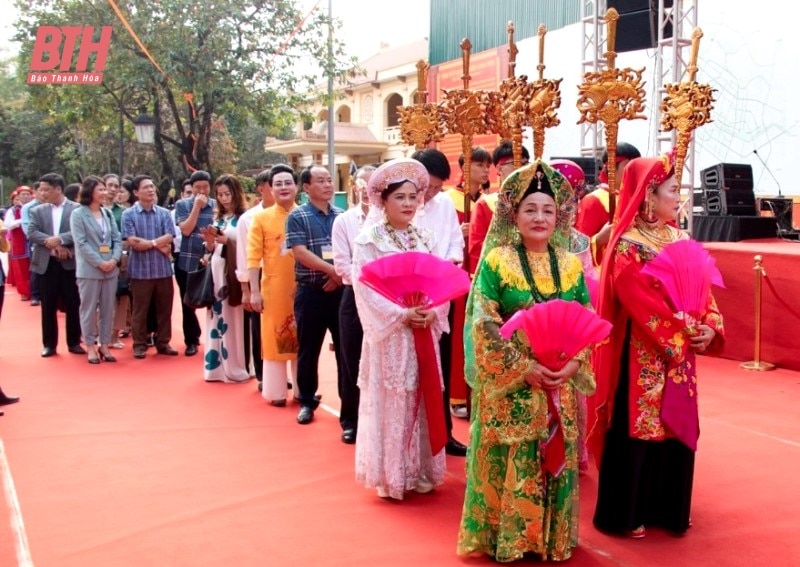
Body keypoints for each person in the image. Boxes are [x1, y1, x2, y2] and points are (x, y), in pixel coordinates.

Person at [457, 160, 595, 562]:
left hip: (559, 383)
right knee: (516, 457)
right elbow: (482, 321)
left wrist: (573, 364)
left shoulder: (569, 263)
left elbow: (586, 320)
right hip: (515, 385)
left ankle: (549, 537)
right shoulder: (497, 260)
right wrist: (523, 367)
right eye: (530, 209)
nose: (539, 217)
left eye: (548, 210)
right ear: (513, 215)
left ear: (560, 216)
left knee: (552, 454)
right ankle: (511, 539)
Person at [590, 154, 725, 538]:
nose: (676, 198)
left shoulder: (681, 238)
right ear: (648, 194)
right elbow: (639, 301)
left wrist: (710, 327)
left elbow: (705, 293)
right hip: (643, 350)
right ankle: (627, 512)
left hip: (679, 350)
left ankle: (669, 509)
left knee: (676, 423)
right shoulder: (626, 245)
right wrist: (682, 333)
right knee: (640, 426)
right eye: (670, 191)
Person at [352, 158, 449, 500]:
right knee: (394, 398)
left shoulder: (425, 236)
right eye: (400, 198)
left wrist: (433, 310)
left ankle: (422, 468)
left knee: (422, 396)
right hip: (392, 335)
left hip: (422, 329)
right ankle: (392, 475)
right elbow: (363, 289)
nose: (408, 204)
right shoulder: (370, 240)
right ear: (383, 200)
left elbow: (441, 281)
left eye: (412, 197)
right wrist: (401, 314)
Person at [410, 148, 468, 457]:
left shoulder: (444, 204)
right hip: (405, 302)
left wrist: (443, 273)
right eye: (426, 186)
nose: (430, 193)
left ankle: (443, 434)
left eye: (436, 186)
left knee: (439, 369)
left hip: (438, 298)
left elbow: (454, 246)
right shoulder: (400, 202)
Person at [285, 165, 345, 427]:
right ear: (306, 188)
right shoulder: (298, 216)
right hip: (310, 292)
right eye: (320, 181)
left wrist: (338, 277)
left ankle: (349, 406)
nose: (328, 185)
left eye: (329, 179)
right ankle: (307, 401)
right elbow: (300, 252)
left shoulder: (342, 216)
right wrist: (333, 271)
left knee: (345, 349)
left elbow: (349, 250)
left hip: (340, 292)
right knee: (308, 349)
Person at [248, 165, 300, 403]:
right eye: (278, 184)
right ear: (270, 189)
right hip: (274, 288)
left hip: (302, 287)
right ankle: (276, 391)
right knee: (275, 339)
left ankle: (303, 390)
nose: (283, 187)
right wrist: (254, 292)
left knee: (303, 338)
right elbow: (253, 257)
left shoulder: (304, 215)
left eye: (287, 182)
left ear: (296, 186)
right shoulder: (261, 218)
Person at [331, 164, 375, 444]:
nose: (368, 190)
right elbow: (342, 265)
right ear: (355, 186)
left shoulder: (391, 221)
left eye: (374, 185)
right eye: (363, 184)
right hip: (354, 297)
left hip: (388, 302)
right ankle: (351, 420)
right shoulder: (344, 221)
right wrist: (370, 285)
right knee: (352, 360)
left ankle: (377, 423)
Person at [121, 175, 177, 359]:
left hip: (163, 270)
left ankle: (163, 342)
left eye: (152, 186)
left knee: (165, 309)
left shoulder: (163, 213)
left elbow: (169, 236)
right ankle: (139, 344)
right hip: (140, 271)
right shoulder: (128, 215)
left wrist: (150, 243)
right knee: (140, 310)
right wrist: (157, 244)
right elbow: (133, 241)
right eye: (146, 187)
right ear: (136, 192)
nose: (151, 190)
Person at [28, 173, 84, 357]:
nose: (42, 193)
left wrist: (60, 239)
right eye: (40, 189)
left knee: (73, 303)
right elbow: (32, 232)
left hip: (70, 262)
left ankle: (74, 342)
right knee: (48, 305)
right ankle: (49, 344)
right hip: (46, 263)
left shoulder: (76, 209)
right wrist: (52, 242)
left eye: (46, 189)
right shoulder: (37, 210)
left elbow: (78, 231)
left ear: (58, 189)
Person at [202, 174, 249, 383]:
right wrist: (211, 242)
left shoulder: (245, 218)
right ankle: (217, 366)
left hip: (234, 272)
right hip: (216, 270)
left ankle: (237, 364)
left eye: (227, 194)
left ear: (236, 193)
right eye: (219, 194)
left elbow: (248, 247)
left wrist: (226, 239)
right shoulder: (218, 217)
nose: (223, 198)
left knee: (235, 316)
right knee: (217, 315)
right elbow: (212, 248)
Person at [71, 176, 123, 364]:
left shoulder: (107, 214)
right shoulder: (78, 214)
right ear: (89, 192)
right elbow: (81, 243)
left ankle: (105, 344)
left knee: (108, 308)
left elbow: (116, 239)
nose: (104, 193)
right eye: (100, 190)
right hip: (90, 269)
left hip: (110, 268)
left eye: (104, 190)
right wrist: (100, 262)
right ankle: (90, 346)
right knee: (89, 308)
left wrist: (114, 259)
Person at [467, 141, 531, 273]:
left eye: (525, 163)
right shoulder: (485, 204)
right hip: (496, 275)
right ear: (499, 168)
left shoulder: (536, 202)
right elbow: (476, 249)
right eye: (515, 163)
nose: (521, 168)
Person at [237, 169, 275, 387]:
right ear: (261, 189)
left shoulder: (292, 214)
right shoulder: (248, 218)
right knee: (259, 327)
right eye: (273, 185)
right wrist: (247, 290)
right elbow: (244, 256)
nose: (280, 189)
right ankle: (262, 375)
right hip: (257, 275)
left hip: (283, 275)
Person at [575, 142, 641, 265]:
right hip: (603, 277)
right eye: (628, 166)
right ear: (611, 168)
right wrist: (600, 238)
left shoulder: (640, 201)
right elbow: (576, 250)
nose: (635, 172)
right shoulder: (593, 200)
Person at [175, 170, 217, 356]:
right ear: (191, 188)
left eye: (205, 187)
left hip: (212, 259)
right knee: (188, 301)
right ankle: (191, 340)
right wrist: (197, 208)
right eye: (197, 187)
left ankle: (215, 340)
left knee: (214, 300)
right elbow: (186, 230)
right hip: (188, 259)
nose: (202, 190)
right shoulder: (182, 204)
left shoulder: (217, 205)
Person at [3, 186, 34, 301]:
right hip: (19, 242)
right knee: (21, 268)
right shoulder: (13, 210)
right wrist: (22, 220)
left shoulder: (35, 207)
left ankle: (36, 292)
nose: (25, 196)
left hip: (32, 241)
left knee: (35, 268)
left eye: (27, 194)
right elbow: (7, 225)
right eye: (23, 194)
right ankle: (25, 292)